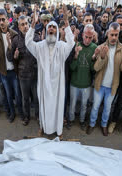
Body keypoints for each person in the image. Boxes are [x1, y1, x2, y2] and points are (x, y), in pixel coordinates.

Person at [25, 4, 75, 138]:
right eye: (49, 27)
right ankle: (43, 127)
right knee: (44, 107)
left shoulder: (62, 47)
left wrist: (66, 23)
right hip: (44, 85)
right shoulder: (40, 47)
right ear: (46, 30)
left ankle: (58, 130)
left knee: (57, 107)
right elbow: (28, 43)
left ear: (57, 31)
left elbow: (72, 43)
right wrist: (32, 26)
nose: (51, 28)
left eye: (54, 27)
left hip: (58, 86)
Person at [86, 22, 122, 136]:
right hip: (99, 85)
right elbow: (96, 68)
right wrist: (101, 57)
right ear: (107, 33)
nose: (114, 38)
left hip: (112, 86)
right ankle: (91, 124)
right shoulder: (100, 47)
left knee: (107, 108)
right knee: (95, 107)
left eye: (116, 35)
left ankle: (104, 125)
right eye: (112, 34)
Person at [0, 9, 23, 123]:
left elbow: (18, 54)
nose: (1, 22)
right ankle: (12, 113)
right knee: (8, 95)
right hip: (4, 72)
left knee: (18, 94)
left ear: (7, 20)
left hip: (14, 71)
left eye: (3, 19)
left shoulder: (14, 34)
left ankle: (21, 113)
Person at [7, 16, 39, 126]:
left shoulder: (36, 37)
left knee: (36, 98)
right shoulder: (15, 40)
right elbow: (10, 58)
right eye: (22, 24)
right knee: (25, 99)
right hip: (23, 75)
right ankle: (26, 117)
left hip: (35, 74)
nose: (25, 26)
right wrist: (14, 55)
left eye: (26, 23)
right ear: (19, 27)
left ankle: (38, 116)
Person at [67, 24, 97, 131]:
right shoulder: (76, 45)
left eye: (90, 37)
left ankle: (82, 120)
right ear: (83, 34)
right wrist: (75, 55)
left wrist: (94, 59)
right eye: (86, 37)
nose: (88, 40)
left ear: (93, 36)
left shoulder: (95, 48)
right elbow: (72, 68)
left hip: (86, 84)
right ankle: (70, 120)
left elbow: (93, 70)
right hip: (75, 82)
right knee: (73, 104)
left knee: (84, 105)